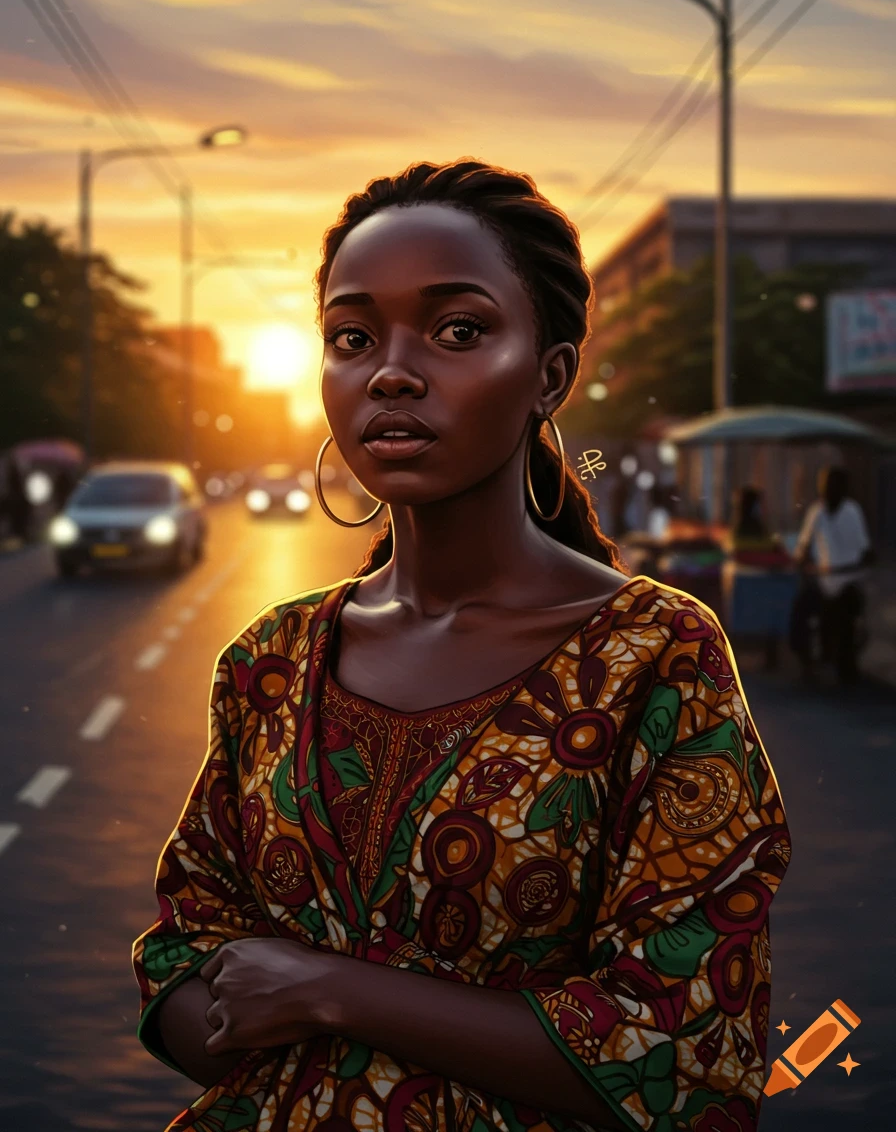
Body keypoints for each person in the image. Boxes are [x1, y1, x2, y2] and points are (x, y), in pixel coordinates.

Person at [132, 160, 791, 1132]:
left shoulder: (655, 656)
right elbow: (182, 952)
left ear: (549, 374)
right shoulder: (267, 661)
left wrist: (325, 990)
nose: (391, 371)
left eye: (457, 330)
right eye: (351, 337)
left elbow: (682, 1045)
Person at [790, 466, 873, 685]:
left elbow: (865, 552)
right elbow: (803, 546)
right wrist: (802, 560)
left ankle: (846, 666)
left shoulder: (852, 512)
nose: (825, 490)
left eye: (831, 485)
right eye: (823, 485)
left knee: (845, 616)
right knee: (799, 610)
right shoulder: (816, 511)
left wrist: (858, 564)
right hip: (822, 580)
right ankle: (806, 662)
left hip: (847, 581)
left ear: (843, 489)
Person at [727, 487, 789, 569]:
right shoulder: (766, 541)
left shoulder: (735, 534)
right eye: (762, 504)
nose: (766, 508)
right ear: (755, 508)